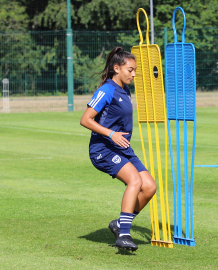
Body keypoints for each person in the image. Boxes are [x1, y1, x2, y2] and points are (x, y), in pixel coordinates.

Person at [80, 47, 156, 251]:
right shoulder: (107, 90)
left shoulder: (125, 89)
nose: (134, 74)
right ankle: (123, 235)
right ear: (116, 68)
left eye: (135, 70)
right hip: (103, 149)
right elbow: (85, 120)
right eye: (130, 70)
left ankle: (119, 224)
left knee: (149, 187)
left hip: (123, 149)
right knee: (135, 180)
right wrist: (111, 134)